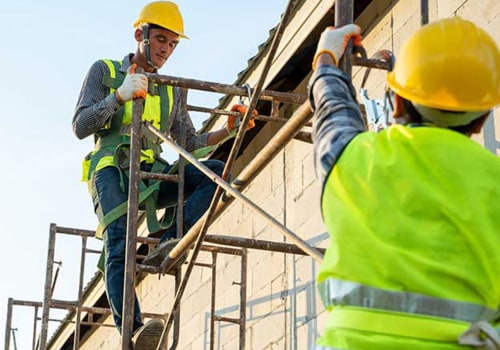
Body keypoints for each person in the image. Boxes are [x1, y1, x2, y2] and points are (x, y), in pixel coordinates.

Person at [309, 18, 500, 349]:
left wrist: (326, 56)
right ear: (482, 117)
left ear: (397, 102)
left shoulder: (351, 159)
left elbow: (332, 110)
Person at [72, 1, 254, 348]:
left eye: (172, 43)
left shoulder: (173, 87)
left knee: (214, 174)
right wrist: (119, 97)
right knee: (119, 244)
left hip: (152, 172)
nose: (166, 50)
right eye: (160, 40)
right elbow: (80, 125)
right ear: (140, 34)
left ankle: (171, 239)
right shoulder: (106, 71)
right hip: (111, 168)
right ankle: (135, 330)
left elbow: (188, 141)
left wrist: (228, 130)